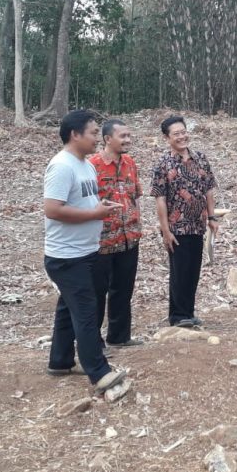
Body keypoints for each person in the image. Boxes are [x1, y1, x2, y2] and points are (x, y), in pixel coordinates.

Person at [43, 109, 126, 394]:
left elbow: (86, 201)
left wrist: (101, 207)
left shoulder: (86, 165)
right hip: (67, 256)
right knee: (86, 312)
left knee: (69, 308)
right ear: (74, 134)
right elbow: (52, 209)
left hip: (86, 250)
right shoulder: (61, 166)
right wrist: (94, 214)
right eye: (92, 133)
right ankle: (99, 373)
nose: (96, 138)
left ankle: (60, 361)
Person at [150, 115, 218, 327]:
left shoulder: (200, 159)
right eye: (176, 134)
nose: (182, 137)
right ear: (167, 138)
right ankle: (178, 316)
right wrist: (165, 230)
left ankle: (188, 312)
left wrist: (212, 217)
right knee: (179, 271)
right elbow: (160, 198)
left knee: (193, 270)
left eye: (183, 132)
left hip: (197, 225)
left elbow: (208, 189)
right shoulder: (163, 164)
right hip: (176, 227)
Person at [90, 119, 143, 348]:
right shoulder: (92, 165)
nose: (127, 140)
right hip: (102, 240)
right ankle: (93, 342)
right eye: (123, 136)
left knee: (123, 289)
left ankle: (119, 336)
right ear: (107, 139)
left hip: (129, 237)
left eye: (129, 136)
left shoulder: (130, 163)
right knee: (97, 292)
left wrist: (137, 224)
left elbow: (135, 196)